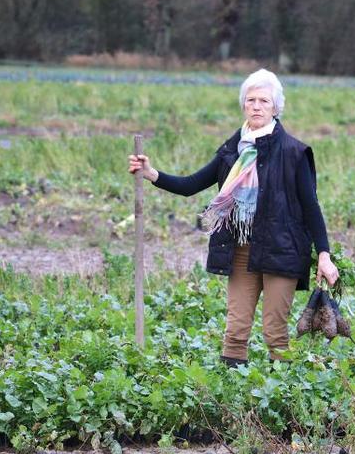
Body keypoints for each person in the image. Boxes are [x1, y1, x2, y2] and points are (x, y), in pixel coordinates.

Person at [128, 69, 338, 367]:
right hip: (241, 251)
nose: (256, 106)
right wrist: (151, 174)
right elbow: (191, 185)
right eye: (250, 100)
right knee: (236, 331)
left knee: (274, 333)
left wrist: (324, 255)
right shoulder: (232, 151)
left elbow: (311, 206)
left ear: (275, 107)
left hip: (282, 251)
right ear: (243, 105)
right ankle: (232, 400)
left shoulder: (294, 152)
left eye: (264, 100)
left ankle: (284, 397)